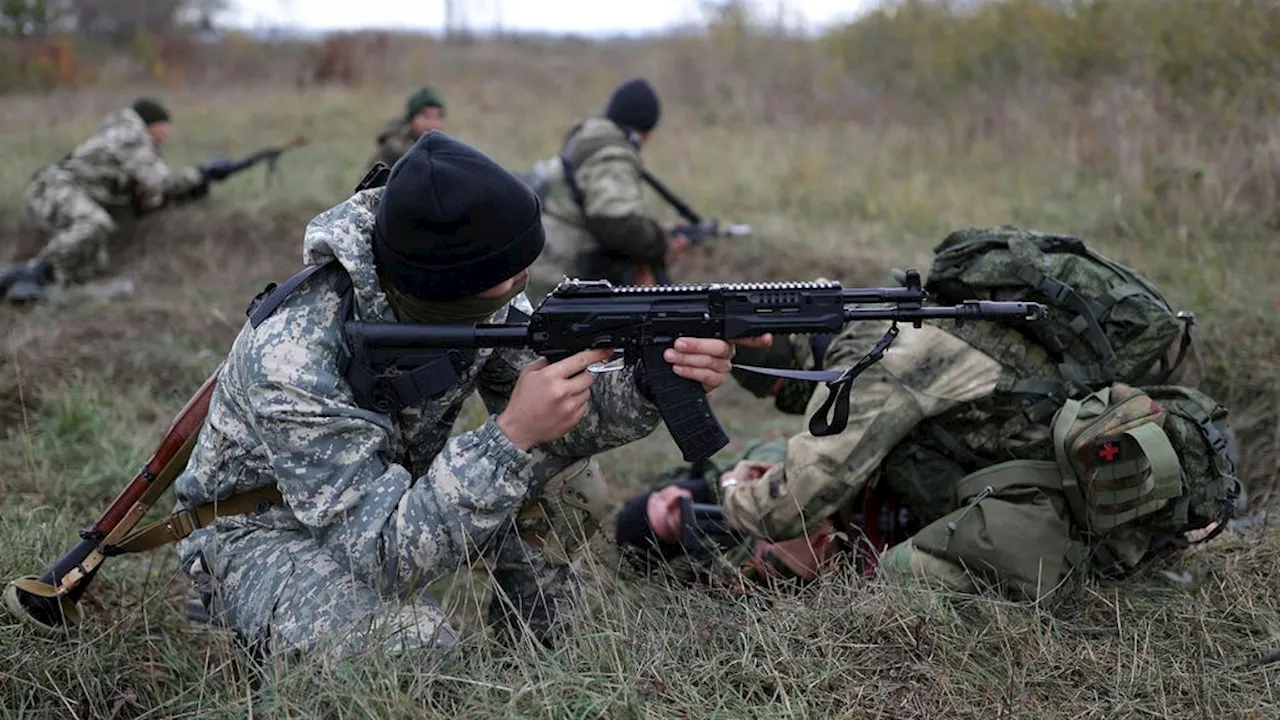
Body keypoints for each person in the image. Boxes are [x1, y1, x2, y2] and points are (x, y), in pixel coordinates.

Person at [172, 130, 753, 661]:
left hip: (381, 503)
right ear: (444, 288)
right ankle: (250, 618)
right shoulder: (295, 356)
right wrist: (509, 438)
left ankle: (544, 657)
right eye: (508, 278)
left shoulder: (474, 291)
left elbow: (561, 411)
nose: (520, 285)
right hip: (264, 530)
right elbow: (380, 550)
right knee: (412, 650)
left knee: (570, 481)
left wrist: (650, 382)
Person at [615, 227, 1243, 601]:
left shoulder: (890, 362)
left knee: (899, 579)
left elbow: (791, 504)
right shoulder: (912, 327)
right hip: (1095, 478)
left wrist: (728, 497)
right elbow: (822, 396)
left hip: (1076, 513)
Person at [5, 97, 217, 303]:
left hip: (57, 190)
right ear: (153, 124)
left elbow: (146, 194)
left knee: (92, 261)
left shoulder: (120, 134)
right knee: (94, 224)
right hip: (55, 188)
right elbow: (159, 181)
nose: (167, 135)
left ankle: (42, 286)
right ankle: (31, 275)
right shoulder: (132, 136)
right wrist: (202, 173)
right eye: (165, 128)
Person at [526, 77, 690, 298]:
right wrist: (662, 242)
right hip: (560, 279)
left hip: (546, 265)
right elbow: (616, 223)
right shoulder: (611, 154)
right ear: (646, 131)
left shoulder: (588, 140)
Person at [370, 85, 447, 170]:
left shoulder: (442, 148)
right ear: (411, 119)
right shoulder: (394, 147)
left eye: (438, 117)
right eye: (426, 116)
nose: (433, 123)